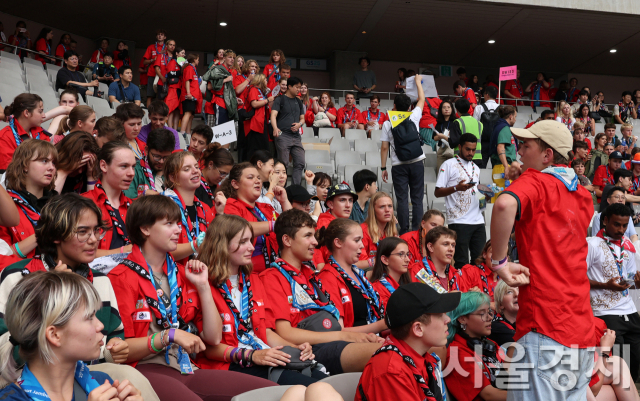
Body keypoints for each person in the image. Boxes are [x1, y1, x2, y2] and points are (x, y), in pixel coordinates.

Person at [108, 195, 276, 401]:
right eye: (169, 223)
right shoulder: (121, 277)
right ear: (145, 229)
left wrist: (204, 286)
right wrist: (169, 336)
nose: (178, 230)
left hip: (186, 367)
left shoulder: (181, 273)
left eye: (178, 224)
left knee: (274, 392)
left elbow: (213, 337)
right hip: (145, 369)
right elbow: (121, 351)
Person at [490, 120, 595, 400]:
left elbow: (503, 204)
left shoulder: (535, 181)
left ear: (547, 155)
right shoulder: (583, 194)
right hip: (581, 331)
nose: (519, 153)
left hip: (544, 326)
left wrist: (499, 262)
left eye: (526, 146)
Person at [0, 194, 134, 379]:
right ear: (56, 235)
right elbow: (4, 350)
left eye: (96, 230)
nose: (94, 239)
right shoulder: (16, 276)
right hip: (29, 381)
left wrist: (115, 349)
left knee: (130, 379)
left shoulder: (101, 280)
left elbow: (113, 337)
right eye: (82, 231)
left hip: (89, 377)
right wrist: (51, 294)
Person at [194, 215, 327, 385]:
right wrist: (252, 356)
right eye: (243, 242)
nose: (251, 247)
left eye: (251, 240)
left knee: (324, 382)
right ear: (222, 244)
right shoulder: (203, 282)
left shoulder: (254, 280)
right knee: (309, 387)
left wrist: (295, 349)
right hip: (227, 365)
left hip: (261, 356)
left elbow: (265, 333)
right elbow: (210, 347)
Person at [260, 209, 383, 375]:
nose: (315, 242)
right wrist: (343, 336)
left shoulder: (311, 276)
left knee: (405, 350)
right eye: (307, 236)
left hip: (331, 342)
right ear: (287, 240)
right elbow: (285, 332)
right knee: (387, 354)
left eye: (314, 235)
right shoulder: (271, 277)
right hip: (309, 350)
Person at [0, 271, 144, 401]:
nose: (100, 325)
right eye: (89, 317)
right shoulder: (10, 399)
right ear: (54, 334)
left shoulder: (103, 383)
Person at [355, 282, 459, 401]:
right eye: (440, 315)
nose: (448, 320)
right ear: (418, 329)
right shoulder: (391, 372)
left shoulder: (421, 358)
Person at [587, 203, 640, 381]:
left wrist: (637, 284)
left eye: (625, 225)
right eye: (617, 224)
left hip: (629, 311)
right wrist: (605, 285)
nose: (621, 230)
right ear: (605, 221)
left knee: (634, 361)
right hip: (605, 313)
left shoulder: (628, 246)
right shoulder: (591, 244)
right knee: (617, 364)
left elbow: (629, 281)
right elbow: (576, 280)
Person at [316, 218, 387, 334]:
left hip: (374, 338)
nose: (362, 246)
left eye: (362, 240)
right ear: (338, 242)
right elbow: (339, 331)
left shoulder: (358, 273)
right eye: (357, 240)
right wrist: (381, 325)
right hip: (354, 345)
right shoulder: (327, 277)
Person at [222, 162, 291, 273]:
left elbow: (293, 224)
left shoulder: (264, 207)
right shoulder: (230, 205)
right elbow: (239, 229)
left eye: (259, 178)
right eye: (251, 177)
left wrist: (284, 201)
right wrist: (275, 225)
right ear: (235, 184)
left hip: (272, 273)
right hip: (246, 275)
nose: (257, 181)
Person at [381, 75, 426, 235]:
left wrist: (383, 167)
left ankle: (404, 232)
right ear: (409, 107)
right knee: (417, 199)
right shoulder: (413, 117)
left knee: (402, 200)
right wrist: (418, 82)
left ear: (394, 106)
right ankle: (417, 231)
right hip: (417, 162)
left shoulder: (388, 123)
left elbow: (384, 148)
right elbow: (422, 99)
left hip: (398, 165)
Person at [0, 140, 57, 261]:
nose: (51, 167)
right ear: (25, 165)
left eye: (54, 163)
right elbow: (5, 255)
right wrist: (44, 232)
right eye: (44, 161)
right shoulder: (6, 204)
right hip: (24, 275)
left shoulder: (59, 204)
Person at [444, 292, 506, 401]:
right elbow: (489, 395)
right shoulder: (457, 354)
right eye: (482, 314)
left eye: (489, 312)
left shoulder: (490, 345)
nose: (489, 318)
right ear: (462, 319)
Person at [435, 133, 485, 267]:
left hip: (478, 221)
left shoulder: (476, 168)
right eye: (467, 149)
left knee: (480, 262)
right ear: (459, 147)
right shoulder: (448, 164)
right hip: (458, 221)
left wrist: (485, 197)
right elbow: (437, 192)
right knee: (461, 263)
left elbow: (477, 192)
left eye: (473, 150)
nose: (471, 153)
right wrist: (457, 188)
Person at [162, 151, 219, 265]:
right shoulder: (163, 205)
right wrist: (195, 245)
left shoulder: (205, 208)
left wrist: (220, 214)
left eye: (196, 167)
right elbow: (160, 251)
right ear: (173, 177)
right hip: (174, 275)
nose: (195, 171)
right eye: (187, 169)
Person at [82, 142, 135, 256]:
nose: (131, 173)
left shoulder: (135, 207)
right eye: (124, 166)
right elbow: (77, 251)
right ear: (103, 166)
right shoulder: (83, 203)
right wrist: (122, 252)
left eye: (133, 166)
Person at [410, 226, 487, 293]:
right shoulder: (416, 272)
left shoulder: (456, 275)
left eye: (453, 245)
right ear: (431, 247)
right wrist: (448, 298)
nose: (451, 249)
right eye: (445, 244)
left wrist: (470, 296)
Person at [0, 93, 52, 172]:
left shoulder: (41, 134)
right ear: (26, 113)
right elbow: (7, 174)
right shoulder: (5, 137)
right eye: (40, 111)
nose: (44, 115)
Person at [313, 184, 358, 269]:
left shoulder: (346, 224)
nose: (348, 205)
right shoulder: (324, 225)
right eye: (342, 200)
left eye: (350, 200)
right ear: (330, 204)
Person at [271, 76, 305, 185]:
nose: (299, 89)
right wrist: (275, 128)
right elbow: (273, 115)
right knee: (283, 164)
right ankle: (281, 188)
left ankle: (295, 188)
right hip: (283, 135)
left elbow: (302, 119)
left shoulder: (298, 101)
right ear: (289, 87)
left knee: (300, 162)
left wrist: (299, 124)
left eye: (300, 87)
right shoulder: (280, 99)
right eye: (297, 87)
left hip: (296, 136)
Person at [126, 128, 175, 198]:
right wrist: (142, 197)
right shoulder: (133, 171)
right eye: (157, 156)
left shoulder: (174, 171)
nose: (161, 161)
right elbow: (126, 204)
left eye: (166, 157)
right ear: (146, 150)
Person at [358, 192, 397, 270]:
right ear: (373, 210)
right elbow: (357, 264)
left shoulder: (392, 231)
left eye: (390, 206)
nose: (387, 210)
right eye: (382, 207)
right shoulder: (362, 231)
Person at [369, 237, 412, 308]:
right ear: (385, 259)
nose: (407, 259)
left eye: (407, 254)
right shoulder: (378, 290)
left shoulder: (406, 283)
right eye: (401, 254)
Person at [490, 106, 518, 198]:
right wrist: (506, 166)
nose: (515, 119)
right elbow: (500, 147)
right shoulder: (505, 128)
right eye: (515, 117)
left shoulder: (498, 126)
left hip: (500, 167)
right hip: (503, 167)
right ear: (511, 116)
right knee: (504, 198)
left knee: (500, 197)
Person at [244, 73, 275, 159]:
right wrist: (267, 100)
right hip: (254, 123)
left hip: (262, 123)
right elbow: (254, 104)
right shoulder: (253, 89)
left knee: (263, 148)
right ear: (260, 80)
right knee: (254, 149)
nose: (267, 81)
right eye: (265, 80)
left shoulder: (261, 92)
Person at [204, 49, 236, 130]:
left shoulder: (229, 71)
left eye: (233, 58)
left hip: (227, 103)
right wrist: (225, 80)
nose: (232, 59)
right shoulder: (217, 69)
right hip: (219, 101)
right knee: (220, 129)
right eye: (230, 57)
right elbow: (209, 87)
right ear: (224, 58)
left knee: (226, 130)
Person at [197, 143, 235, 208]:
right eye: (222, 173)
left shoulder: (220, 188)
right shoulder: (195, 185)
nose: (223, 177)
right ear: (210, 164)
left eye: (226, 174)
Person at [448, 98, 484, 167]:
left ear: (457, 109)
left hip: (462, 157)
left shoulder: (457, 122)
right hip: (478, 157)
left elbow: (453, 143)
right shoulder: (479, 123)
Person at [179, 54, 203, 136]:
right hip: (189, 96)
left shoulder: (193, 68)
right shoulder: (189, 68)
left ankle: (188, 134)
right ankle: (182, 133)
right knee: (188, 114)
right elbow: (187, 81)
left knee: (191, 116)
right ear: (194, 60)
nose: (198, 61)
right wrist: (188, 93)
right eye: (198, 59)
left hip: (193, 96)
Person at [142, 30, 167, 107]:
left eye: (162, 34)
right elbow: (144, 62)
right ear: (156, 37)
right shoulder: (151, 47)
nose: (160, 36)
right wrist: (153, 59)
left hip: (163, 74)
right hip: (152, 73)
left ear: (165, 37)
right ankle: (148, 113)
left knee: (162, 96)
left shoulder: (167, 47)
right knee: (150, 95)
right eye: (158, 34)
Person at [489, 280, 518, 346]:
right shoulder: (496, 328)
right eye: (509, 292)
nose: (516, 294)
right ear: (500, 304)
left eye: (519, 290)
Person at [433, 100, 457, 169]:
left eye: (448, 107)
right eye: (444, 107)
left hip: (452, 148)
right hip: (442, 148)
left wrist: (445, 136)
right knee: (440, 171)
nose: (446, 109)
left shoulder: (455, 122)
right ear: (441, 110)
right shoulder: (439, 123)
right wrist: (441, 136)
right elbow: (434, 137)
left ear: (452, 109)